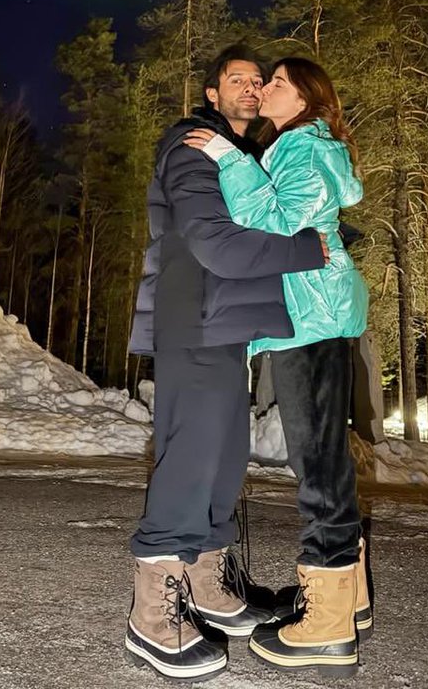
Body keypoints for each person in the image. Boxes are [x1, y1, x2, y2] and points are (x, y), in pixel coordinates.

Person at [125, 45, 328, 682]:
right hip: (193, 318)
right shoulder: (192, 145)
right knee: (191, 455)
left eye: (257, 81)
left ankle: (208, 587)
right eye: (234, 81)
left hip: (225, 325)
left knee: (223, 455)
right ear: (213, 95)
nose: (249, 89)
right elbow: (212, 241)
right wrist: (306, 250)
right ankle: (150, 613)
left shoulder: (240, 157)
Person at [185, 57, 372, 679]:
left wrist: (228, 159)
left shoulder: (304, 146)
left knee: (316, 463)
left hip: (311, 315)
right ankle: (349, 598)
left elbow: (277, 225)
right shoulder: (298, 145)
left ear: (308, 100)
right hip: (308, 312)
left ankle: (326, 625)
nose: (265, 89)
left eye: (279, 83)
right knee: (319, 456)